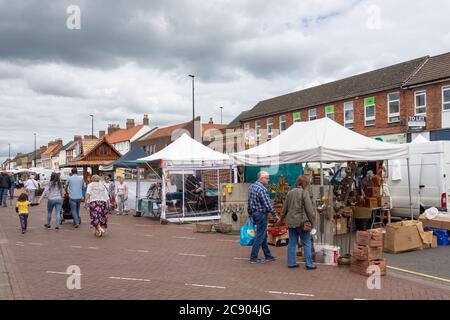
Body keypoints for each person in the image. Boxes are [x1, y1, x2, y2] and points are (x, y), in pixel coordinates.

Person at [278, 175, 316, 270]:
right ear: (305, 184)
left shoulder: (290, 193)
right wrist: (313, 223)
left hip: (291, 222)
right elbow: (309, 210)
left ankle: (291, 263)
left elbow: (284, 208)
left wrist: (281, 219)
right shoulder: (304, 193)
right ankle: (309, 264)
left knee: (292, 242)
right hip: (302, 222)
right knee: (306, 242)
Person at [247, 171, 279, 264]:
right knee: (260, 236)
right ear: (261, 178)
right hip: (261, 214)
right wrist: (274, 215)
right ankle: (253, 257)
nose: (268, 180)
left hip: (254, 214)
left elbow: (249, 202)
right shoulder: (262, 189)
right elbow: (268, 204)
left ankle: (268, 255)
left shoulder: (251, 187)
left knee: (263, 235)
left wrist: (250, 214)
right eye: (267, 178)